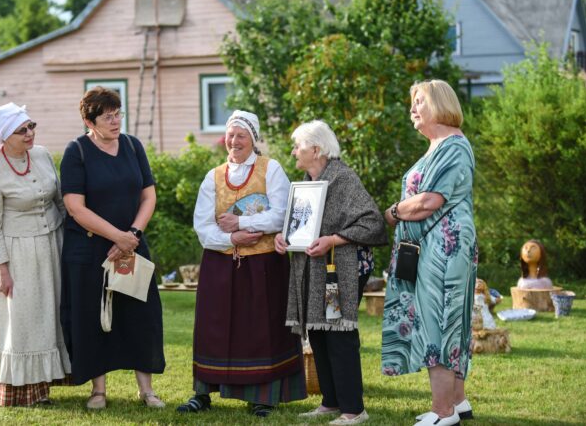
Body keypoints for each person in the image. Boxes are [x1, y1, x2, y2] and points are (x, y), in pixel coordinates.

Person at [177, 110, 305, 417]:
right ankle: (203, 392)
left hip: (263, 266)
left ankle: (264, 394)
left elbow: (281, 214)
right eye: (231, 135)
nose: (234, 141)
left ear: (254, 139)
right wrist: (233, 239)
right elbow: (203, 227)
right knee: (213, 328)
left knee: (262, 329)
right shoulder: (214, 176)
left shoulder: (271, 170)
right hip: (220, 265)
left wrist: (240, 221)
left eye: (241, 136)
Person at [59, 87, 165, 410]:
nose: (116, 121)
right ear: (89, 121)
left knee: (141, 316)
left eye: (118, 114)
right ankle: (98, 391)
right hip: (90, 250)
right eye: (108, 116)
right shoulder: (76, 152)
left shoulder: (133, 146)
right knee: (93, 318)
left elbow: (149, 196)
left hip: (132, 246)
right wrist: (115, 236)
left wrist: (131, 234)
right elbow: (75, 207)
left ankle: (146, 390)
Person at [276, 120, 387, 426]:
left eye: (298, 145)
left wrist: (333, 240)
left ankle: (354, 409)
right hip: (315, 269)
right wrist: (284, 236)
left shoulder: (343, 178)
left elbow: (373, 222)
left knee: (339, 334)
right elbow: (302, 225)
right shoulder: (307, 182)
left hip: (342, 269)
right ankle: (331, 401)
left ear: (316, 148)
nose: (294, 151)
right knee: (319, 332)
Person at [381, 80, 478, 426]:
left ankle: (443, 412)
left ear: (438, 103)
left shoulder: (452, 146)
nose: (412, 108)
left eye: (419, 101)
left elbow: (428, 201)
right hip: (436, 247)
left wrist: (391, 213)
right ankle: (458, 401)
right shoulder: (438, 145)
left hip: (443, 248)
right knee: (449, 319)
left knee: (439, 321)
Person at [0, 102, 71, 407]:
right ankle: (16, 391)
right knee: (21, 320)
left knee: (47, 317)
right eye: (22, 130)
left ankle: (41, 389)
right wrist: (2, 269)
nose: (30, 134)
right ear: (5, 136)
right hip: (17, 252)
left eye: (32, 127)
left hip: (51, 244)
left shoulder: (41, 155)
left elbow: (60, 201)